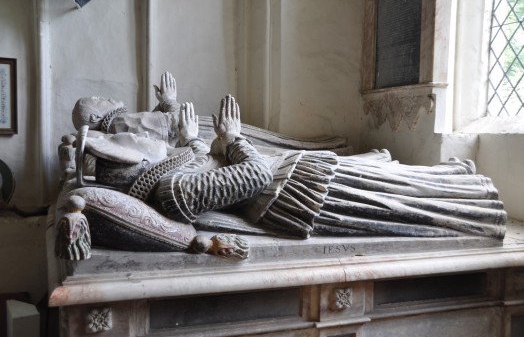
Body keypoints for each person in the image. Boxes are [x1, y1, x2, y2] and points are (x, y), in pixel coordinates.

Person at [152, 95, 506, 240]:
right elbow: (253, 176)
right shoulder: (171, 190)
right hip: (292, 192)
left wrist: (191, 139)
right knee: (394, 196)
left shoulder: (167, 182)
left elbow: (202, 168)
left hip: (290, 179)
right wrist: (232, 140)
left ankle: (452, 176)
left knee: (391, 181)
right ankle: (474, 199)